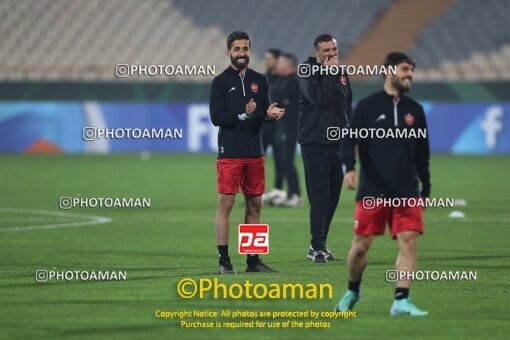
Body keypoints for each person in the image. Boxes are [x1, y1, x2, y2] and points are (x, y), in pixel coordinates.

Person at [335, 52, 431, 316]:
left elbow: (422, 153)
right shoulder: (367, 107)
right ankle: (353, 290)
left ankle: (401, 300)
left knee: (408, 241)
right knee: (359, 249)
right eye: (405, 69)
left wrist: (426, 188)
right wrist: (349, 170)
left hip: (406, 189)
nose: (410, 74)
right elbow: (348, 141)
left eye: (412, 70)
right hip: (373, 189)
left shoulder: (416, 110)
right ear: (389, 71)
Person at [209, 31, 285, 274]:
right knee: (226, 205)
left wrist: (270, 114)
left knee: (255, 207)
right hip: (230, 152)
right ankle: (224, 260)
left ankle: (253, 260)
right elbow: (216, 117)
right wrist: (243, 114)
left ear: (250, 51)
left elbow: (262, 113)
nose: (241, 53)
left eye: (245, 49)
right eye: (237, 49)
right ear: (228, 52)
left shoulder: (260, 80)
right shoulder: (220, 83)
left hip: (255, 151)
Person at [298, 34, 352, 263]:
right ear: (316, 52)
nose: (332, 54)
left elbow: (346, 106)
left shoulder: (341, 73)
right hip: (315, 142)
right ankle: (316, 247)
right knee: (319, 198)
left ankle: (320, 244)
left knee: (333, 198)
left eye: (334, 49)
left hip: (337, 144)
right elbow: (318, 98)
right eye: (327, 50)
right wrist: (330, 73)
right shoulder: (306, 71)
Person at [271, 53, 303, 207]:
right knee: (282, 160)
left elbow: (277, 99)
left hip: (290, 126)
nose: (278, 64)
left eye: (281, 62)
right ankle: (288, 193)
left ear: (290, 65)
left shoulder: (294, 81)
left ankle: (295, 195)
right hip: (281, 126)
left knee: (287, 160)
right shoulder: (282, 81)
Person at [263, 48, 287, 206]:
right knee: (258, 160)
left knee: (280, 160)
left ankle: (278, 191)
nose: (267, 61)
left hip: (280, 126)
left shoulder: (286, 79)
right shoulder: (263, 78)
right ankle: (257, 193)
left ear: (278, 60)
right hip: (264, 125)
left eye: (269, 58)